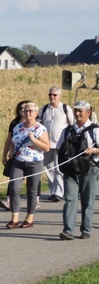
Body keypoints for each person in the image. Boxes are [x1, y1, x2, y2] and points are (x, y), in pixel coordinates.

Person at [58, 101, 99, 240]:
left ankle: (86, 229)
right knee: (70, 199)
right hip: (70, 169)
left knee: (87, 200)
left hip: (90, 169)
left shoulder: (95, 129)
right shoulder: (67, 130)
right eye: (76, 110)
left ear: (88, 112)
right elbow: (59, 148)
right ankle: (68, 230)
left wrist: (93, 150)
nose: (77, 113)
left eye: (80, 111)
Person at [6, 101, 50, 229]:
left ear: (36, 113)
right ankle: (14, 218)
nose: (28, 113)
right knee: (14, 188)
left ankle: (29, 218)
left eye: (31, 111)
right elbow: (12, 141)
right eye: (25, 111)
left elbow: (46, 147)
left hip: (34, 162)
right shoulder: (17, 127)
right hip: (18, 161)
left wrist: (34, 140)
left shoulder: (41, 128)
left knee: (32, 190)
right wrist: (10, 151)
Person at [38, 86, 74, 202]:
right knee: (48, 168)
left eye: (54, 95)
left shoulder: (65, 108)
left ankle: (59, 192)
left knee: (58, 168)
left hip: (60, 144)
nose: (52, 97)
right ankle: (54, 190)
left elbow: (71, 124)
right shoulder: (44, 109)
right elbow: (39, 124)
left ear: (59, 96)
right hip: (46, 143)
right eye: (50, 95)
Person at [0, 101, 29, 211]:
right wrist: (5, 155)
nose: (23, 111)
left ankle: (34, 201)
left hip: (31, 157)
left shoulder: (37, 124)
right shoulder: (14, 123)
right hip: (16, 156)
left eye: (26, 109)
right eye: (21, 108)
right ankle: (9, 202)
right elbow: (9, 140)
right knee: (13, 178)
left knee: (32, 180)